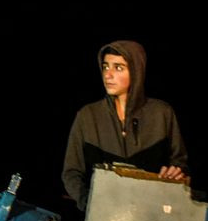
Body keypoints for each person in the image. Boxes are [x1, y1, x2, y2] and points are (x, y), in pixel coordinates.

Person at [62, 40, 188, 211]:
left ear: (136, 72)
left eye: (118, 68)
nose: (108, 74)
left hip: (151, 214)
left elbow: (179, 164)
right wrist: (89, 203)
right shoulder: (88, 116)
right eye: (106, 66)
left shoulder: (162, 114)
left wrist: (175, 174)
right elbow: (71, 172)